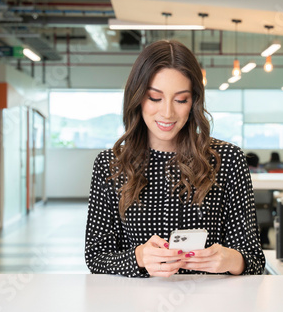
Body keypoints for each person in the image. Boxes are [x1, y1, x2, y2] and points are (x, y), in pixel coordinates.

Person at [84, 40, 265, 278]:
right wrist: (139, 257)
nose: (167, 112)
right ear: (137, 98)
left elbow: (253, 258)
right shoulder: (112, 164)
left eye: (180, 100)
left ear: (194, 102)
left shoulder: (228, 160)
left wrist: (231, 260)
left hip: (212, 302)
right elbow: (96, 257)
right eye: (154, 98)